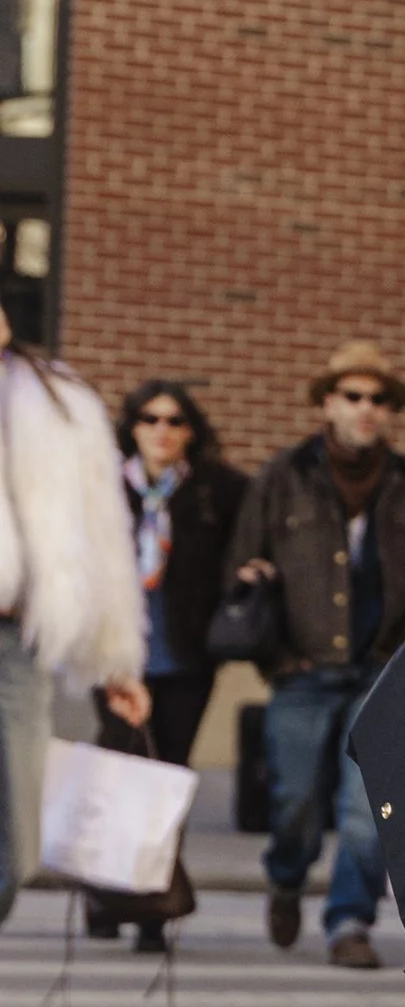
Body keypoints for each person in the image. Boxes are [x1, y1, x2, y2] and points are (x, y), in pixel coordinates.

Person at [225, 339, 405, 967]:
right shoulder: (283, 476)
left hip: (381, 674)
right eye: (353, 396)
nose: (366, 409)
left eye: (379, 399)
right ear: (328, 403)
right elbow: (238, 569)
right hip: (301, 670)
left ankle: (349, 920)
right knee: (294, 802)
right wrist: (274, 654)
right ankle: (287, 876)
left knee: (368, 810)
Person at [0, 313, 150, 1007]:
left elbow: (97, 537)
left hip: (13, 654)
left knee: (10, 852)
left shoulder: (56, 400)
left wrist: (114, 660)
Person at [86, 378, 247, 951]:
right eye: (150, 419)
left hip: (184, 660)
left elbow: (244, 549)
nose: (162, 430)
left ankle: (152, 909)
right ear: (132, 427)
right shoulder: (104, 488)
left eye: (175, 421)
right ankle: (105, 898)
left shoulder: (216, 491)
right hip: (112, 657)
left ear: (190, 433)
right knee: (114, 776)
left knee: (164, 778)